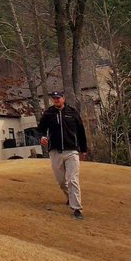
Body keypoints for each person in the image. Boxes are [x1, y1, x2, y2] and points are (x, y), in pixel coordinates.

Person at [37, 90, 87, 220]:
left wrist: (84, 149)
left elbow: (81, 131)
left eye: (58, 98)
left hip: (72, 151)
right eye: (54, 98)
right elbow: (41, 129)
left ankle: (77, 209)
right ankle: (69, 197)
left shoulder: (72, 113)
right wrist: (42, 137)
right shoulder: (48, 113)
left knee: (73, 180)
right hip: (55, 152)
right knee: (61, 182)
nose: (56, 100)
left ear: (63, 99)